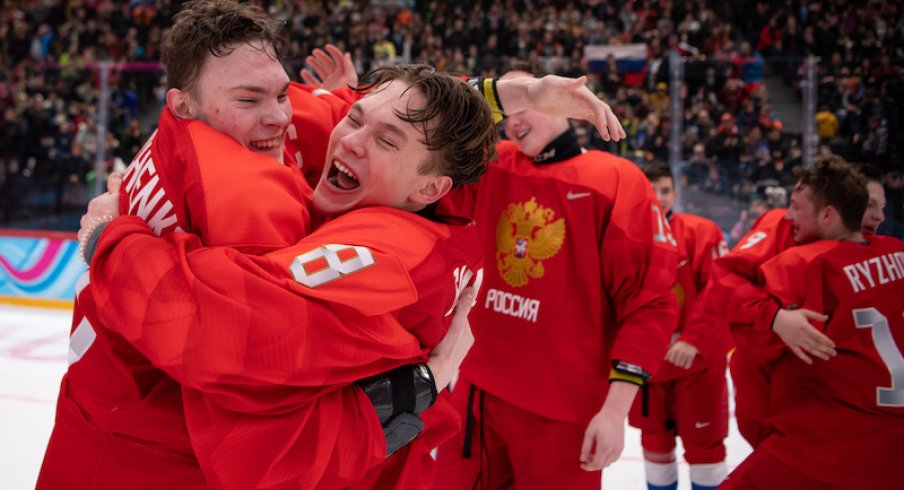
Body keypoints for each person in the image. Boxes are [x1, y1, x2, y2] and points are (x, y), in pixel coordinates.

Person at [37, 2, 470, 488]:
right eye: (250, 100)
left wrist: (500, 95)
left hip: (96, 427)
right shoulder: (245, 194)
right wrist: (413, 394)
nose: (280, 119)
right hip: (151, 460)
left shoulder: (191, 134)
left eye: (281, 94)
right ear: (186, 103)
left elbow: (329, 108)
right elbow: (235, 351)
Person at [433, 68, 679, 489]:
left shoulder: (616, 181)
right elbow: (434, 134)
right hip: (477, 392)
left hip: (562, 411)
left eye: (526, 107)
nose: (514, 121)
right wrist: (504, 93)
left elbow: (650, 303)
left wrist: (615, 412)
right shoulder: (491, 167)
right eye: (508, 110)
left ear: (563, 107)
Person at [720, 158, 904, 490]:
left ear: (828, 213)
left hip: (826, 440)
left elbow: (727, 296)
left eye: (795, 206)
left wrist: (772, 318)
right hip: (890, 445)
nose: (789, 215)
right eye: (871, 206)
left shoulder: (806, 261)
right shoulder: (896, 251)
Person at [628, 164, 730, 490]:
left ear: (675, 193)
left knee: (705, 448)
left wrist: (693, 340)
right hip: (648, 366)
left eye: (665, 190)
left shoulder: (703, 232)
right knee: (655, 446)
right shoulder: (625, 234)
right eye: (652, 190)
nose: (659, 198)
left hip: (696, 365)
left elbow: (720, 292)